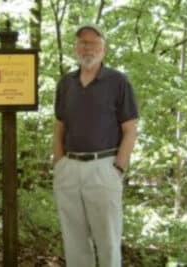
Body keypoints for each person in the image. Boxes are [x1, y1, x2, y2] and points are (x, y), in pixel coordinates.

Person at [52, 25, 139, 267]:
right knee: (74, 242)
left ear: (103, 48)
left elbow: (130, 129)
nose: (87, 48)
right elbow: (59, 127)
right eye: (82, 42)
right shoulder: (66, 83)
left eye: (93, 43)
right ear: (75, 47)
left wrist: (118, 168)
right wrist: (59, 164)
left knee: (108, 241)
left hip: (104, 168)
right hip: (69, 169)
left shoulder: (118, 82)